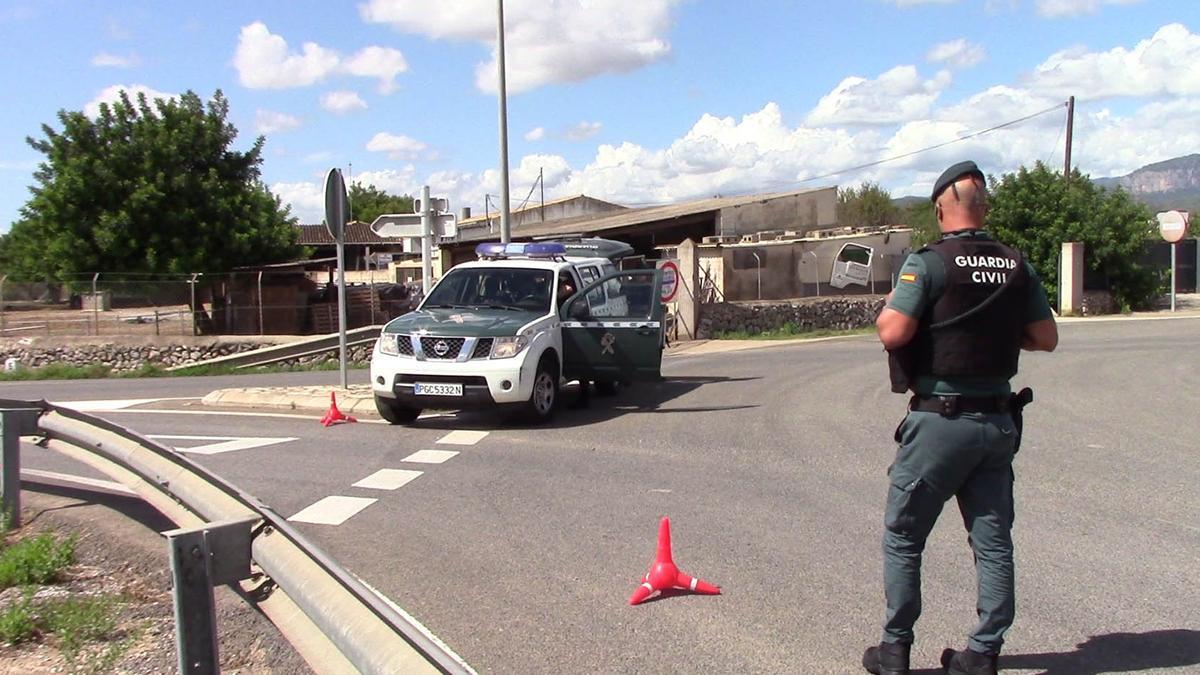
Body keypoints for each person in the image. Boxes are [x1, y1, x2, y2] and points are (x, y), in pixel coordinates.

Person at [861, 161, 1058, 675]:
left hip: (940, 424)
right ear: (984, 206)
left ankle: (895, 650)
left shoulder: (927, 264)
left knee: (904, 536)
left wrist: (894, 311)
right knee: (993, 543)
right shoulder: (1017, 266)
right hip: (997, 425)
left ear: (940, 208)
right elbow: (1045, 338)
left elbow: (893, 332)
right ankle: (983, 653)